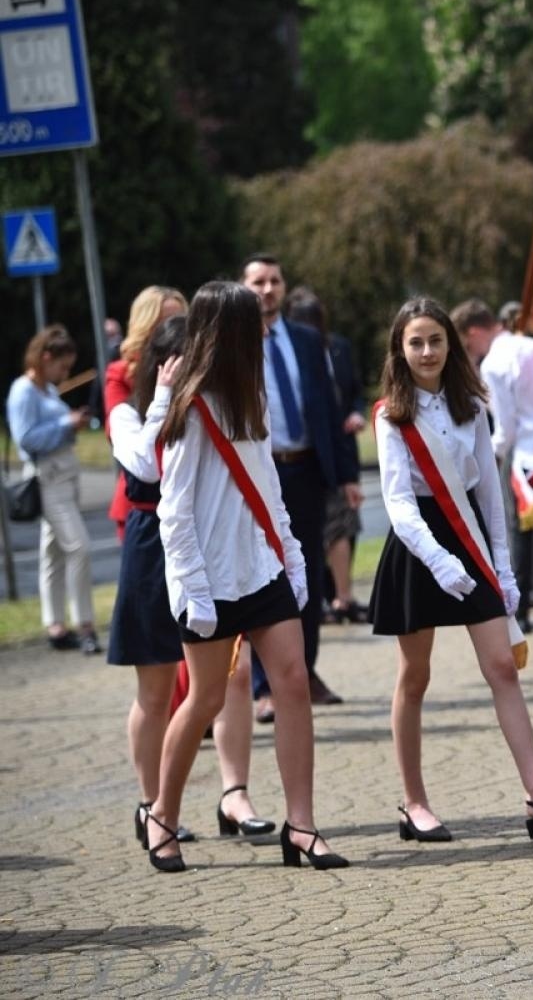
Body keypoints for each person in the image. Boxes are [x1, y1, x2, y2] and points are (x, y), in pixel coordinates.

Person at [368, 298, 533, 843]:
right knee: (414, 678)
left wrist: (504, 572)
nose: (426, 351)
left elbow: (489, 498)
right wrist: (440, 562)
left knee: (502, 667)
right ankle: (413, 803)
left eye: (435, 340)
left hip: (468, 539)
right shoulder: (391, 414)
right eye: (415, 342)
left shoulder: (472, 404)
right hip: (420, 549)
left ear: (453, 343)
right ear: (400, 348)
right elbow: (397, 503)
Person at [149, 281, 346, 872]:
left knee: (291, 680)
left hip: (262, 569)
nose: (266, 326)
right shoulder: (191, 406)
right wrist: (194, 589)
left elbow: (267, 488)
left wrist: (292, 556)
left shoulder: (251, 395)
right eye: (254, 321)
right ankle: (161, 814)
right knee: (205, 698)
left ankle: (303, 826)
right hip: (208, 581)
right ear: (228, 332)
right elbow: (173, 510)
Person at [108, 315, 273, 852]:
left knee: (233, 671)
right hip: (152, 545)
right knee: (155, 688)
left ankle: (235, 793)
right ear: (164, 365)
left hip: (208, 548)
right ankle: (153, 805)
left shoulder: (217, 409)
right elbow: (148, 465)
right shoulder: (131, 415)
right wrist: (164, 398)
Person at [240, 254, 361, 722]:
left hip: (305, 472)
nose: (267, 290)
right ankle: (262, 687)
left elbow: (329, 412)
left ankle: (302, 673)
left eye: (274, 280)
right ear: (243, 287)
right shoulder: (233, 344)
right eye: (257, 282)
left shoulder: (308, 341)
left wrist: (347, 474)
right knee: (261, 581)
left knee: (306, 577)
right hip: (257, 476)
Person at [452, 300, 533, 631]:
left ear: (475, 332)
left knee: (521, 532)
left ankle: (520, 613)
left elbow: (505, 428)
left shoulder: (494, 364)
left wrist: (491, 455)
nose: (473, 352)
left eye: (468, 345)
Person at [7, 325, 97, 653]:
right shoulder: (24, 391)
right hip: (48, 478)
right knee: (79, 548)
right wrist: (65, 424)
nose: (65, 372)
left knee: (54, 553)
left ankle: (55, 625)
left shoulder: (45, 389)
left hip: (64, 475)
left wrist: (70, 423)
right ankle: (85, 623)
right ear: (46, 358)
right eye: (62, 366)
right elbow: (26, 440)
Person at [285, 287, 368, 624]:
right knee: (306, 533)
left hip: (340, 448)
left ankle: (342, 597)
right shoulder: (288, 350)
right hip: (305, 456)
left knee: (342, 525)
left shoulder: (338, 348)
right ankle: (314, 597)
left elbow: (354, 392)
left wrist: (356, 413)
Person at [104, 288, 188, 538]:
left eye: (179, 321)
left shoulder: (198, 371)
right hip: (145, 504)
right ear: (145, 327)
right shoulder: (121, 373)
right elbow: (119, 435)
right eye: (163, 322)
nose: (172, 330)